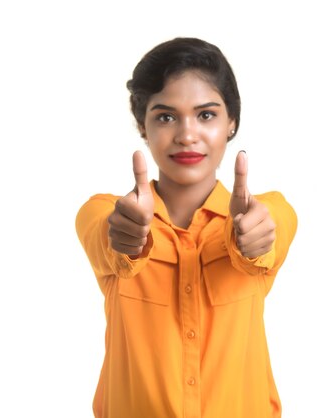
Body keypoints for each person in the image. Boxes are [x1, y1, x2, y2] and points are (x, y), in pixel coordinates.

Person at [75, 37, 297, 418]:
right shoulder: (103, 214)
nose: (187, 134)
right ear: (143, 127)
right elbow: (106, 237)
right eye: (165, 116)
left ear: (232, 124)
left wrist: (254, 239)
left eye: (206, 115)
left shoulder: (265, 215)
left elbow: (273, 224)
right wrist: (127, 238)